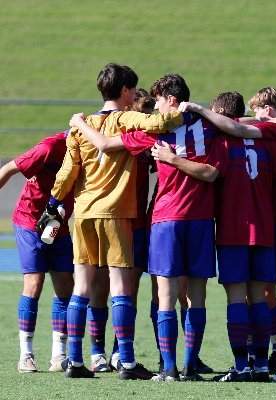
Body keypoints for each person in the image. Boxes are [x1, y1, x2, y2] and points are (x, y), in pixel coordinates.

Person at [69, 73, 226, 381]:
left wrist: (80, 123)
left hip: (172, 219)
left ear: (171, 100)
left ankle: (186, 365)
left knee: (187, 294)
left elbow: (211, 174)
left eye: (157, 102)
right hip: (184, 219)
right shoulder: (201, 129)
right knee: (173, 293)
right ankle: (170, 366)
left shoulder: (181, 131)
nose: (153, 110)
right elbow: (105, 144)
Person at [39, 64, 186, 379]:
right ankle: (128, 362)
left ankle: (76, 361)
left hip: (83, 213)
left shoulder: (82, 125)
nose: (134, 96)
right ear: (125, 92)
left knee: (82, 287)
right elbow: (161, 121)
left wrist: (53, 203)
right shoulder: (125, 118)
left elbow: (67, 172)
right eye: (133, 91)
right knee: (121, 285)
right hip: (115, 212)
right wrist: (182, 109)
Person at [153, 91, 276, 383]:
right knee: (259, 298)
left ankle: (241, 366)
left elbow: (209, 173)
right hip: (264, 229)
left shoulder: (222, 143)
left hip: (233, 230)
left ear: (221, 115)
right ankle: (262, 365)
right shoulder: (267, 142)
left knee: (237, 298)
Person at [0, 132, 74, 373]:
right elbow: (10, 168)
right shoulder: (50, 147)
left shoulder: (93, 150)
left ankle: (58, 355)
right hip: (30, 221)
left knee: (65, 287)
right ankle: (26, 355)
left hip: (58, 226)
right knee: (34, 283)